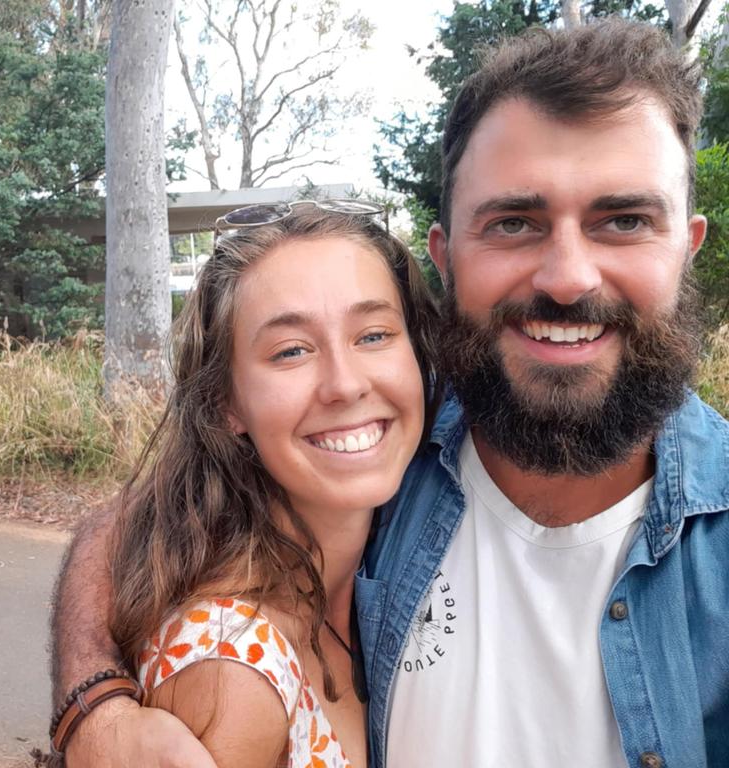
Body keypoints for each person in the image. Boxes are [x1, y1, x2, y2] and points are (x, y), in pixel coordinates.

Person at [49, 18, 729, 768]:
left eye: (624, 220)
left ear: (686, 249)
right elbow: (139, 521)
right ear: (446, 259)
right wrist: (94, 702)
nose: (567, 276)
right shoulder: (389, 453)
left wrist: (92, 700)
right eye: (513, 223)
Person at [47, 203, 440, 767]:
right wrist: (92, 705)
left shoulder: (354, 578)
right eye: (291, 351)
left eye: (374, 335)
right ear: (227, 402)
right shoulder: (234, 670)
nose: (346, 384)